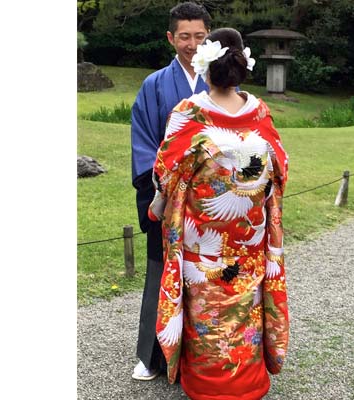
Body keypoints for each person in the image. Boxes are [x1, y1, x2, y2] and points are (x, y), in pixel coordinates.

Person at [147, 27, 290, 400]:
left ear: (205, 67)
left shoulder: (189, 112)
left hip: (203, 240)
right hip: (249, 237)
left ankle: (207, 383)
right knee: (246, 306)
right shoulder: (260, 113)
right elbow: (281, 168)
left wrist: (162, 202)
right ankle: (246, 381)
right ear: (242, 66)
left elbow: (166, 172)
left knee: (205, 311)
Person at [130, 1, 212, 381]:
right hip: (167, 198)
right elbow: (144, 143)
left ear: (209, 37)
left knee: (206, 276)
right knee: (160, 271)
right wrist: (164, 189)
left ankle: (201, 356)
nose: (192, 45)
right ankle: (152, 356)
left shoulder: (222, 83)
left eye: (199, 36)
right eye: (184, 36)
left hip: (211, 200)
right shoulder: (155, 85)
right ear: (170, 38)